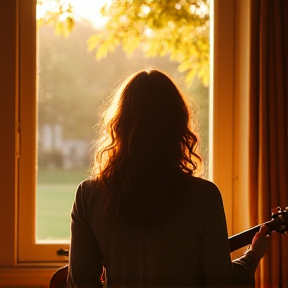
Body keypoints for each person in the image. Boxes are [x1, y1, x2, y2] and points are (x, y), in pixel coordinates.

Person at [67, 69, 271, 288]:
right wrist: (253, 256)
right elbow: (222, 282)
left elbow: (81, 283)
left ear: (120, 125)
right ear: (178, 125)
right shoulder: (204, 196)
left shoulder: (89, 195)